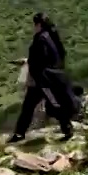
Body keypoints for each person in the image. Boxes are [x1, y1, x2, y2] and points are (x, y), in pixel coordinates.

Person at [10, 13, 77, 142]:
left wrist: (32, 68)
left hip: (42, 80)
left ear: (38, 24)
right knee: (34, 105)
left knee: (45, 105)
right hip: (50, 78)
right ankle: (19, 133)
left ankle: (20, 134)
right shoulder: (53, 36)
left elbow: (40, 59)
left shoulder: (41, 38)